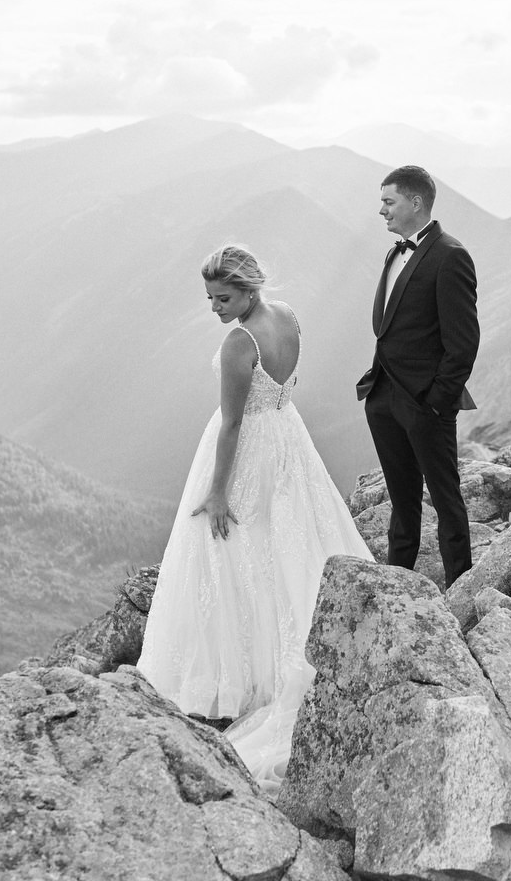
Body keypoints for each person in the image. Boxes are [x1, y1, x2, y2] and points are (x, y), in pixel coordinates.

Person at [137, 243, 373, 791]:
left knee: (233, 553)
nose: (214, 308)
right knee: (291, 543)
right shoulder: (287, 316)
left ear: (247, 290)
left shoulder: (240, 341)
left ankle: (234, 679)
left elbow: (232, 423)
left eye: (223, 298)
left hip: (250, 452)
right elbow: (287, 385)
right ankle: (275, 655)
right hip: (287, 437)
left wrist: (218, 491)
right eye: (210, 298)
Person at [355, 165, 479, 588]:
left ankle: (460, 590)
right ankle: (398, 586)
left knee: (446, 500)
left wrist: (437, 402)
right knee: (402, 501)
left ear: (416, 202)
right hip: (383, 397)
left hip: (426, 404)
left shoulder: (451, 255)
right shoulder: (394, 253)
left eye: (388, 202)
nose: (382, 211)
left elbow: (463, 342)